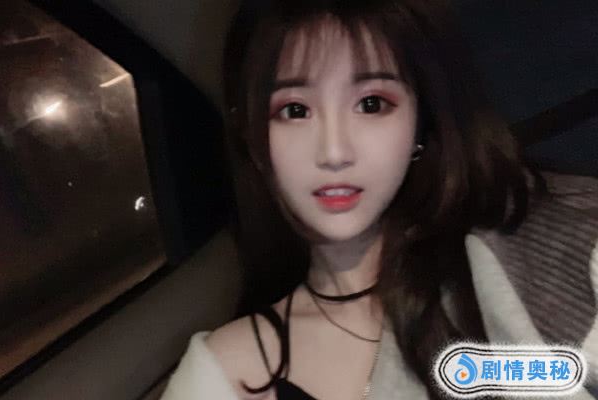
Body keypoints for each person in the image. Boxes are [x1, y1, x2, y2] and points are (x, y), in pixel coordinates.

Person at [160, 1, 598, 399]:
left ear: (421, 121)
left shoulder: (545, 255)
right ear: (254, 140)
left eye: (371, 104)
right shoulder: (224, 373)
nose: (334, 152)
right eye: (295, 110)